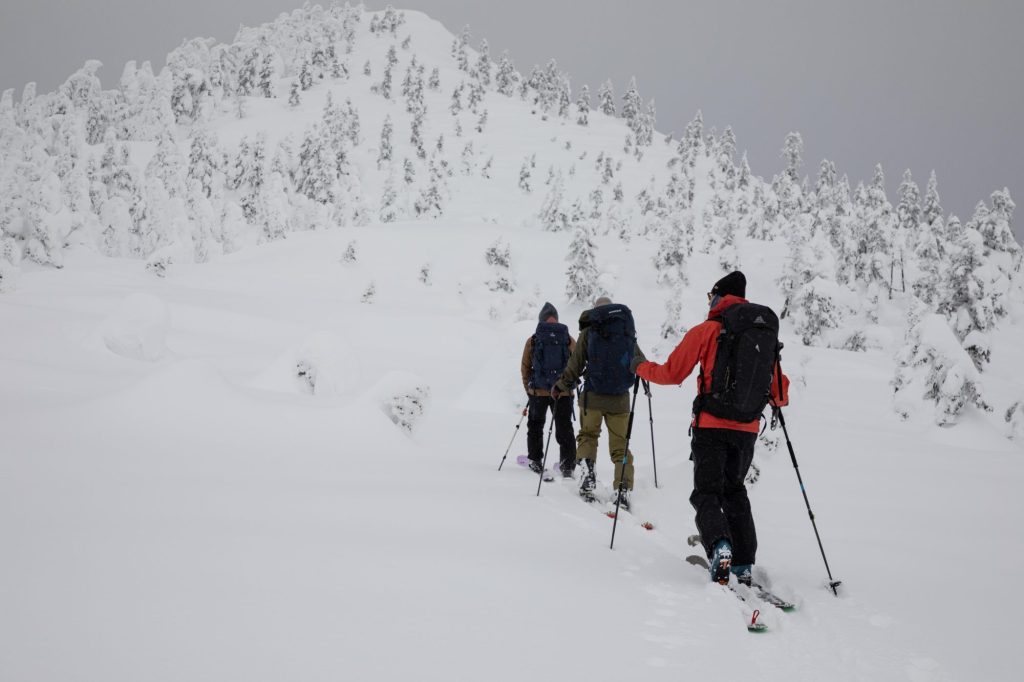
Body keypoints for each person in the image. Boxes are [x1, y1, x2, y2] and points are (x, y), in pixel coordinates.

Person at [635, 271, 790, 585]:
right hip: (747, 430)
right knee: (735, 491)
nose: (709, 301)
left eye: (710, 296)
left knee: (707, 493)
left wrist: (640, 368)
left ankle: (720, 545)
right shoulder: (760, 333)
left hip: (711, 426)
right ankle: (743, 561)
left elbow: (672, 373)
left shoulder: (708, 331)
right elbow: (779, 393)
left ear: (719, 296)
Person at [551, 297, 647, 509]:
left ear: (596, 311)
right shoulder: (625, 331)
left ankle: (587, 476)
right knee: (621, 445)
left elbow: (575, 365)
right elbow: (640, 361)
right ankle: (622, 488)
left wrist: (561, 386)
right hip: (620, 400)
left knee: (588, 436)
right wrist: (647, 382)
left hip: (592, 397)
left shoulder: (589, 331)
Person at [521, 302, 577, 478]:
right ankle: (567, 465)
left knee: (536, 426)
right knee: (564, 427)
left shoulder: (534, 339)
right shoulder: (567, 338)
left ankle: (535, 460)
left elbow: (525, 367)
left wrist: (529, 390)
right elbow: (576, 363)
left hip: (538, 392)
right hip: (562, 392)